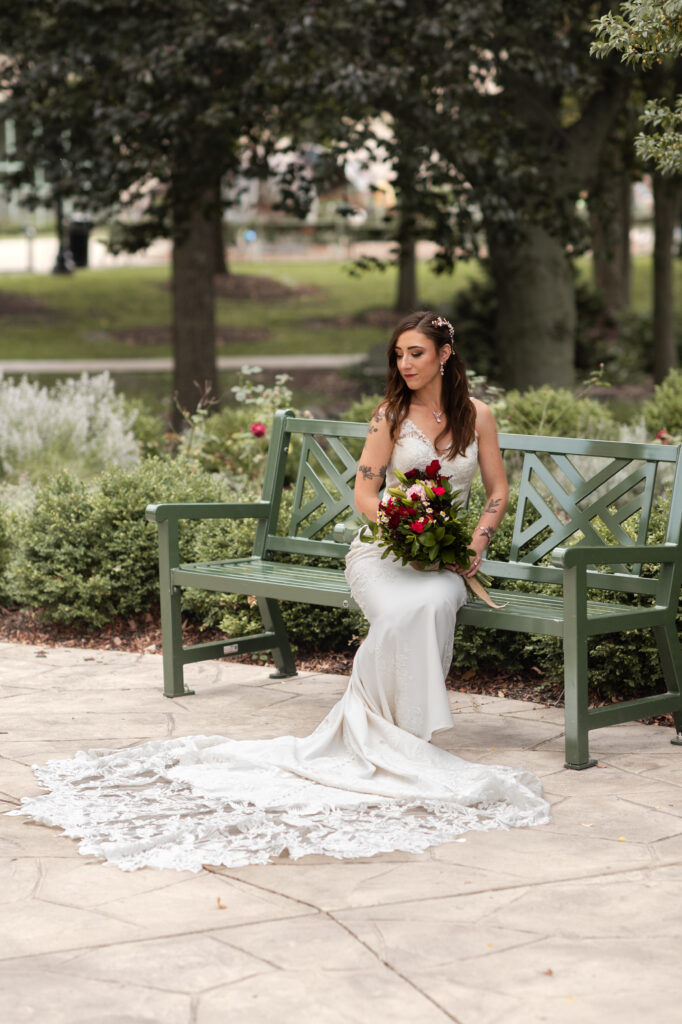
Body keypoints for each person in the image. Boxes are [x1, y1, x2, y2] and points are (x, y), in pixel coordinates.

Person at [10, 312, 551, 872]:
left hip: (441, 561)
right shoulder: (388, 416)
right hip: (383, 551)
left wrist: (477, 543)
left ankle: (406, 733)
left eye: (415, 353)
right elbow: (366, 493)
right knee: (395, 613)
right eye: (398, 355)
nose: (404, 364)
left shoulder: (477, 417)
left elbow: (497, 489)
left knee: (436, 601)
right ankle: (384, 735)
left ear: (443, 355)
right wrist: (399, 522)